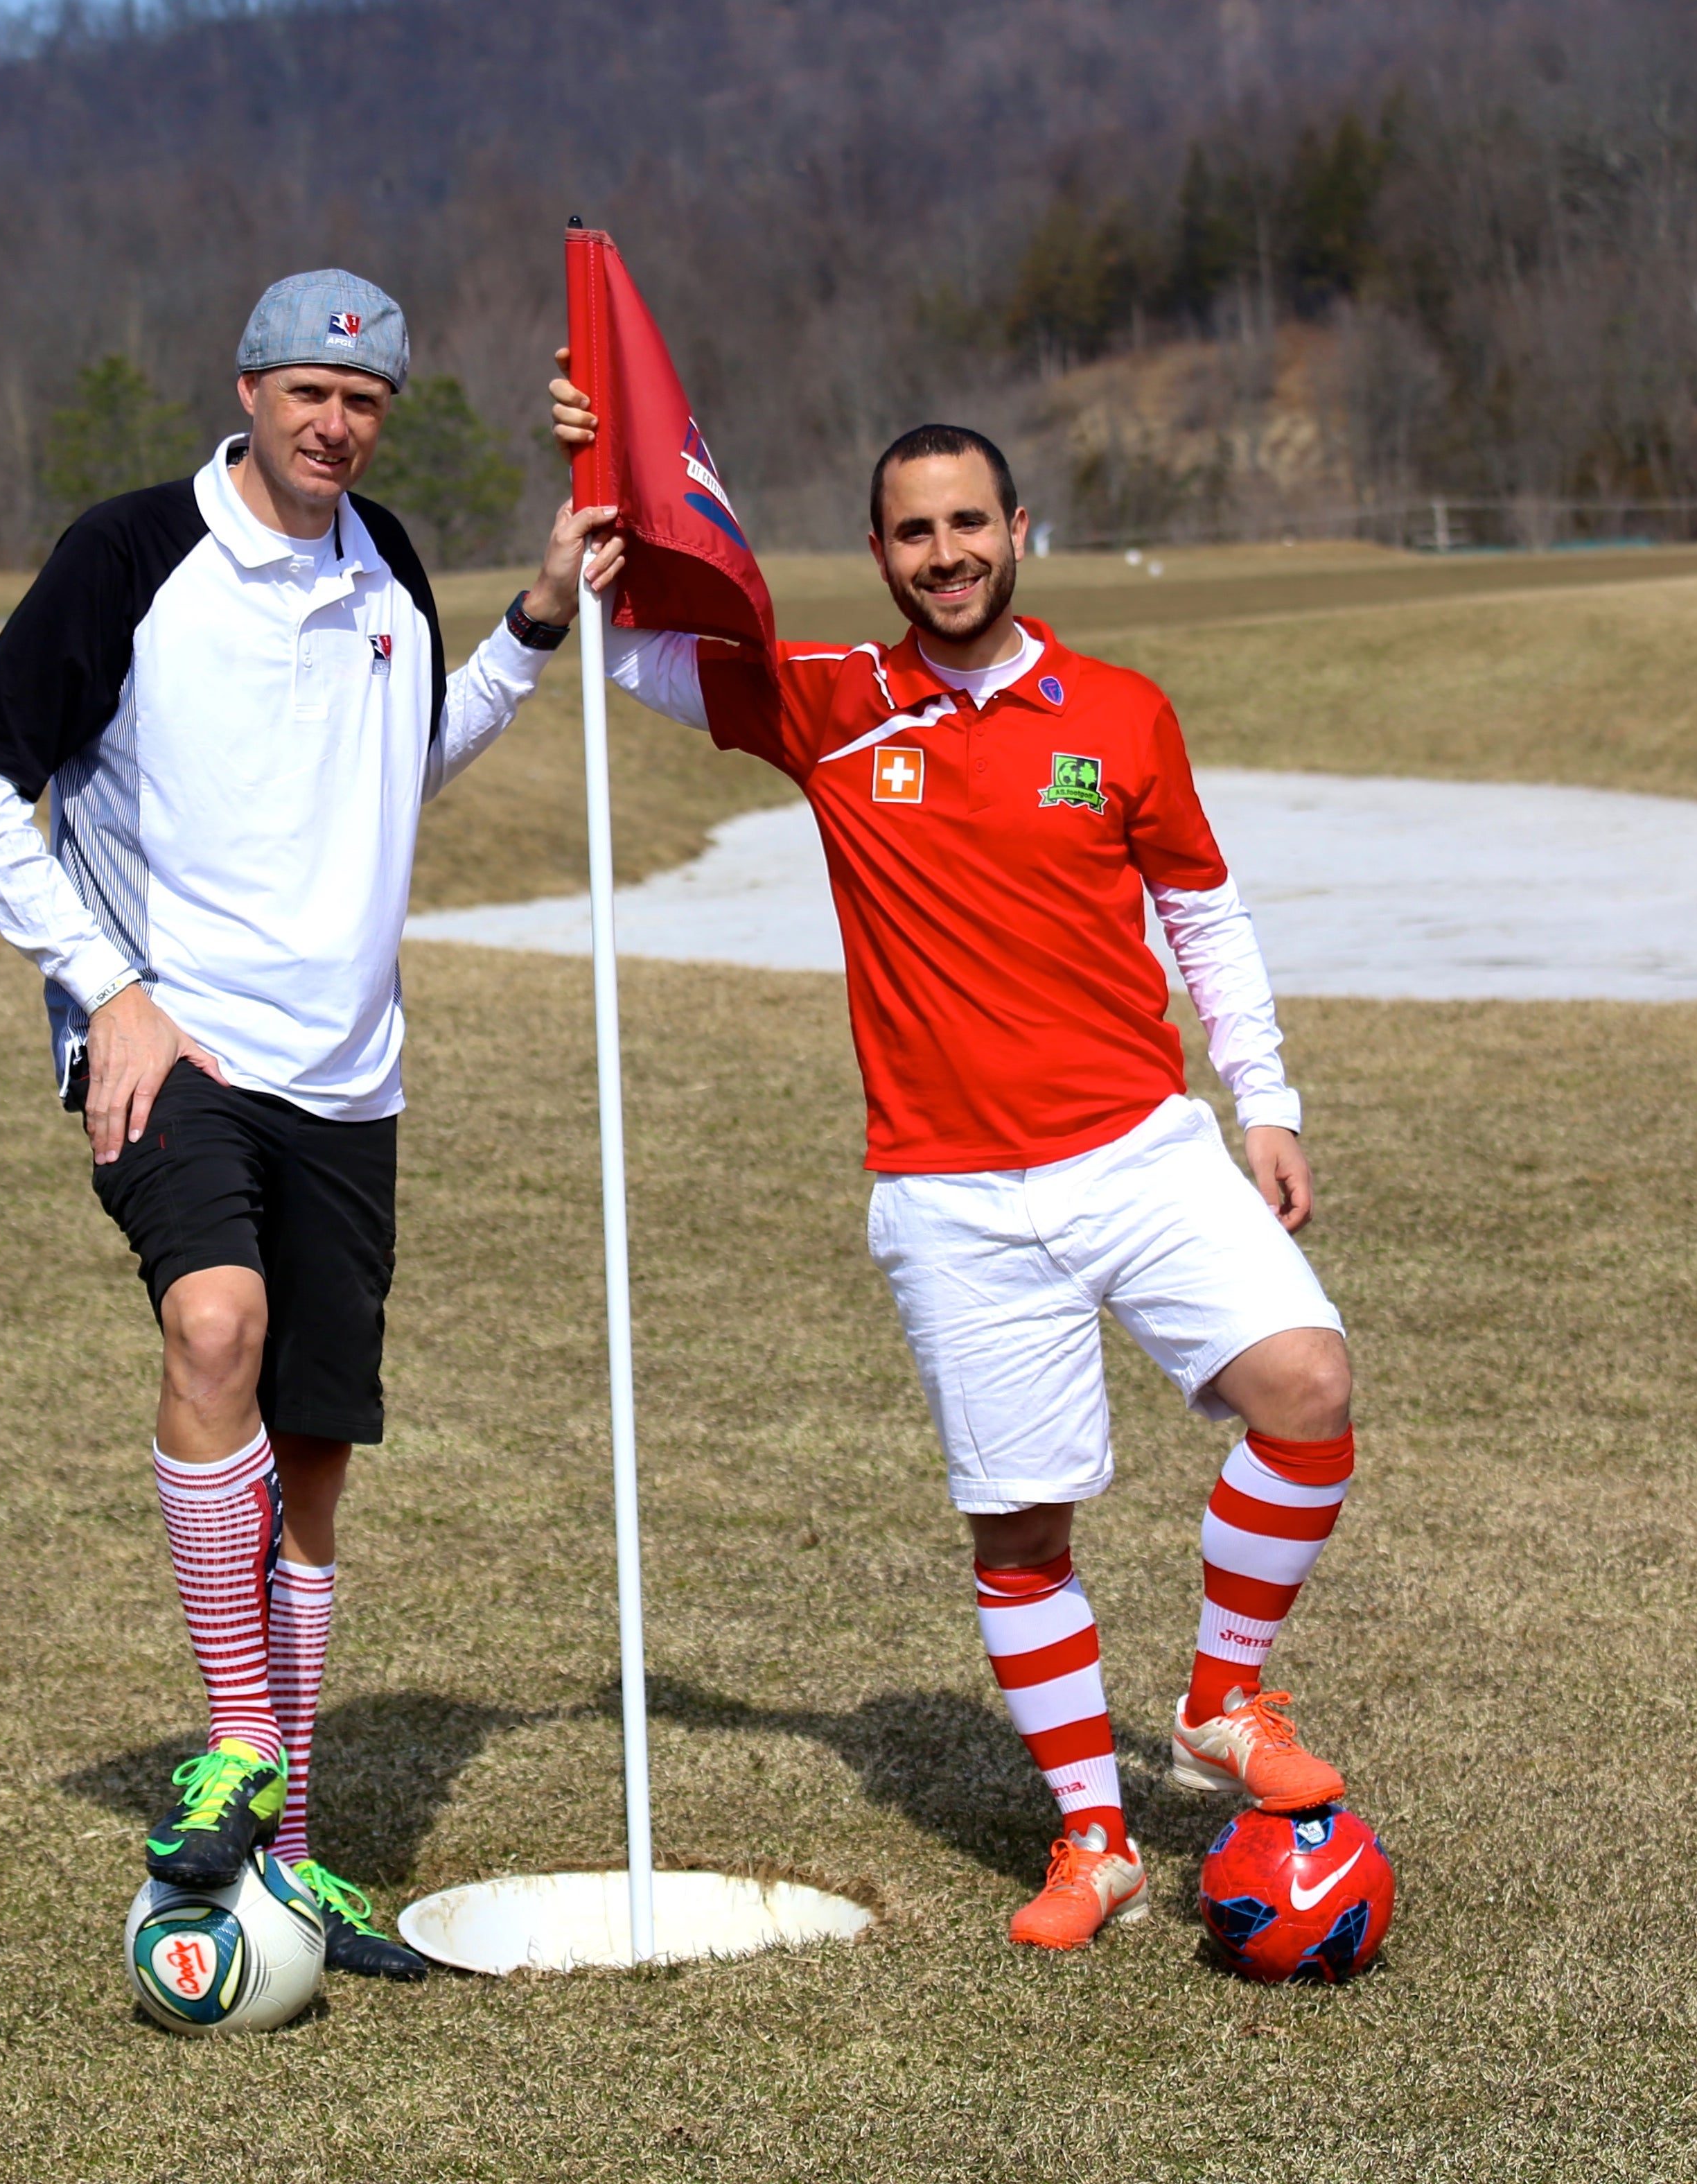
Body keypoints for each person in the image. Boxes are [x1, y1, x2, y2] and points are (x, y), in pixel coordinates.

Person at [554, 375, 1358, 1951]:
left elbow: (1202, 911)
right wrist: (603, 498)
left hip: (1142, 1153)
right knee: (1020, 1534)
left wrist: (1264, 1098)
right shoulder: (831, 702)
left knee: (1309, 1388)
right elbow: (629, 651)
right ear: (878, 550)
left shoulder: (1121, 711)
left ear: (1018, 532)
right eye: (914, 532)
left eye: (969, 524)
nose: (946, 554)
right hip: (951, 1198)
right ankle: (1095, 1842)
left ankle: (1218, 1698)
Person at [0, 270, 606, 1982]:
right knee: (210, 1319)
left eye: (364, 403)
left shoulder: (390, 568)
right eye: (308, 393)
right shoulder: (135, 552)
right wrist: (110, 987)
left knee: (313, 1467)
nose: (335, 424)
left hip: (350, 1073)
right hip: (178, 1045)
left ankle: (288, 1855)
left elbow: (391, 769)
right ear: (247, 389)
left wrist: (525, 626)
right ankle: (240, 1740)